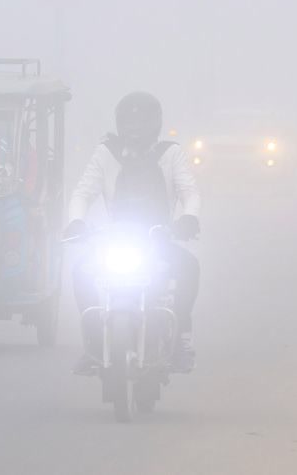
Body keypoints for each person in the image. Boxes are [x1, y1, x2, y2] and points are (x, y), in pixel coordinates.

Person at [65, 91, 202, 374]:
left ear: (155, 123)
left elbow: (189, 191)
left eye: (142, 122)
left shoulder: (170, 154)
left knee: (189, 267)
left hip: (158, 238)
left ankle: (181, 340)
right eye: (129, 122)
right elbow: (83, 192)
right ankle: (93, 343)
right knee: (81, 271)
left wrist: (189, 218)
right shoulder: (106, 153)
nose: (135, 129)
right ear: (119, 123)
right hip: (115, 240)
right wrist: (77, 221)